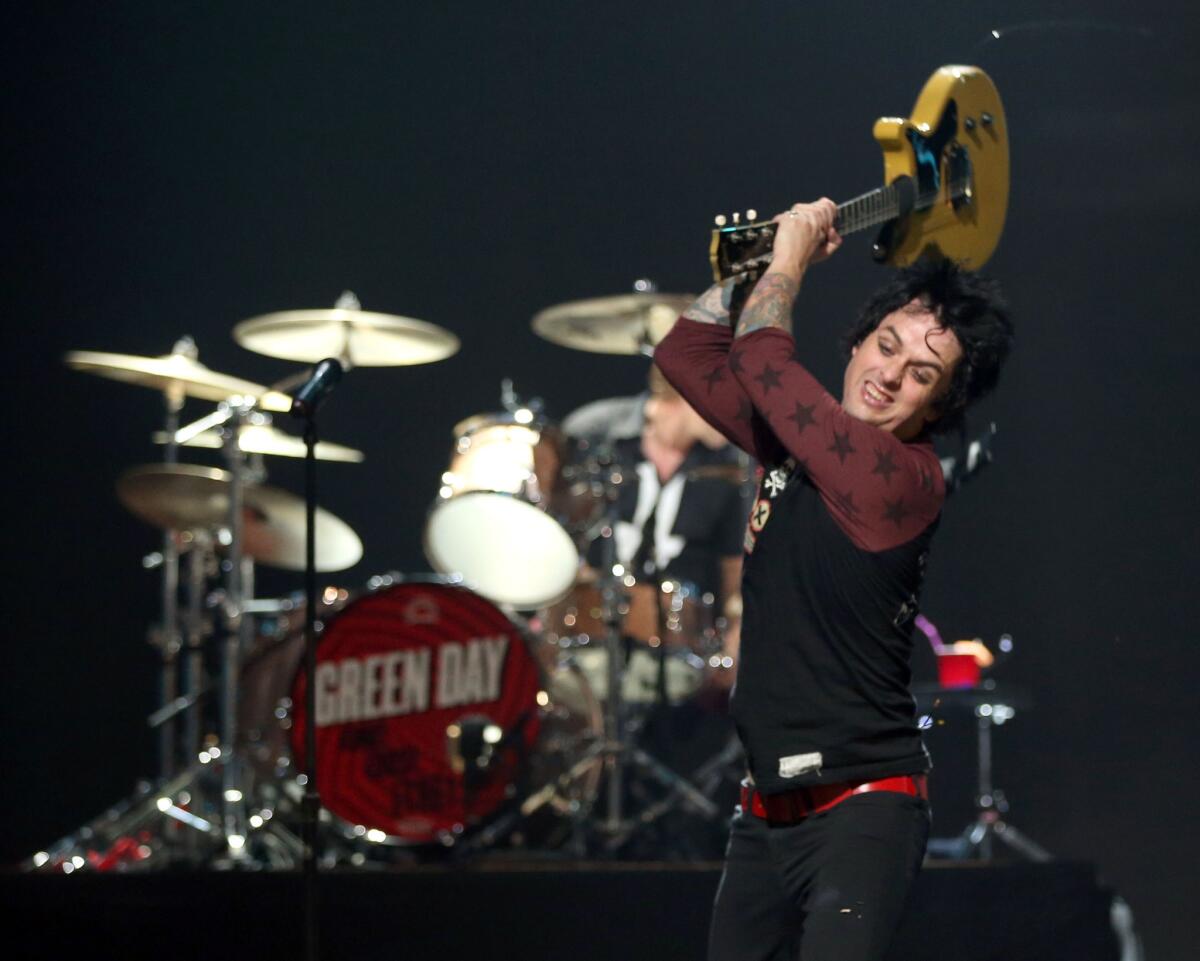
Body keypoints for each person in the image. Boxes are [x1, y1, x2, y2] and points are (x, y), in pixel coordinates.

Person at [653, 198, 1013, 961]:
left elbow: (758, 358)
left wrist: (787, 261)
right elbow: (685, 354)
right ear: (855, 343)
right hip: (763, 815)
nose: (889, 375)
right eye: (885, 346)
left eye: (921, 374)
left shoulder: (899, 479)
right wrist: (752, 270)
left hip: (862, 811)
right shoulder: (800, 445)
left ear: (937, 407)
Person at [556, 365, 754, 855]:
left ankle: (678, 835)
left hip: (678, 644)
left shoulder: (727, 469)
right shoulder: (593, 434)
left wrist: (733, 646)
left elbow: (738, 581)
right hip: (584, 632)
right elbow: (550, 532)